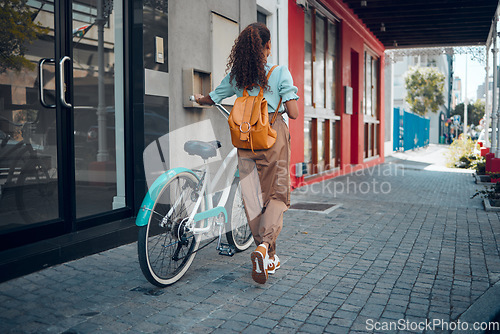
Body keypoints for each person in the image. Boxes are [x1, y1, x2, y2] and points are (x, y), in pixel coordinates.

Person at [195, 22, 299, 284]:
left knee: (252, 199)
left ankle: (267, 254)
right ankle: (264, 248)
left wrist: (198, 98)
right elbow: (294, 112)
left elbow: (212, 98)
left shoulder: (237, 76)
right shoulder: (278, 72)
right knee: (277, 196)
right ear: (267, 46)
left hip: (244, 141)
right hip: (272, 139)